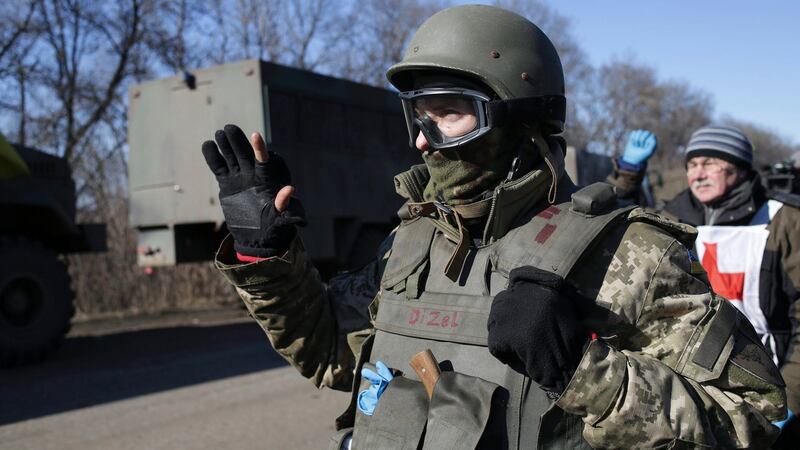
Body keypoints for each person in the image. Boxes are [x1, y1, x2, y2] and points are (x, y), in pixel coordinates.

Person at [202, 6, 786, 449]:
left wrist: (582, 370)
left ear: (520, 119)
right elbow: (333, 352)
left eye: (449, 113)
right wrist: (267, 258)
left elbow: (752, 421)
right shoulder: (414, 242)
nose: (423, 141)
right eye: (419, 117)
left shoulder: (629, 254)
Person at [609, 125, 800, 445]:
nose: (698, 174)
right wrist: (628, 175)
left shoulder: (784, 220)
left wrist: (793, 396)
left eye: (710, 163)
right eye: (692, 165)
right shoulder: (672, 219)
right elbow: (614, 224)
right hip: (692, 389)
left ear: (740, 168)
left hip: (770, 386)